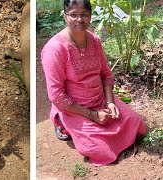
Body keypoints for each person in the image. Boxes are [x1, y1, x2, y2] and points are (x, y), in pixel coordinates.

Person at [41, 0, 147, 166]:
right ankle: (62, 121)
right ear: (65, 16)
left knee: (138, 126)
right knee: (102, 152)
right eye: (73, 15)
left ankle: (99, 123)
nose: (80, 20)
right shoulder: (54, 50)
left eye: (84, 15)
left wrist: (110, 102)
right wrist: (93, 115)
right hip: (73, 108)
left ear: (90, 16)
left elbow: (106, 74)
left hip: (100, 100)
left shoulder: (94, 40)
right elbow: (56, 95)